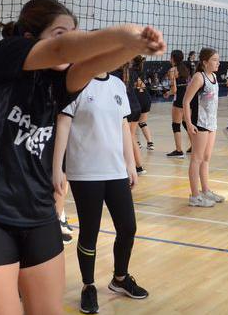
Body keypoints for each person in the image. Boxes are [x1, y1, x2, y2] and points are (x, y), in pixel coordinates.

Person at [0, 0, 165, 315]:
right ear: (29, 38)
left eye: (73, 32)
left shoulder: (59, 84)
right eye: (60, 31)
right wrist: (127, 33)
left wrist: (139, 45)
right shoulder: (6, 56)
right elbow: (64, 50)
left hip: (38, 215)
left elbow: (92, 63)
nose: (70, 39)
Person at [54, 70, 148, 314]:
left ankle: (120, 278)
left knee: (128, 227)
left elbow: (123, 124)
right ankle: (88, 286)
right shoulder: (77, 81)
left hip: (115, 170)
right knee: (90, 232)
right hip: (86, 172)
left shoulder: (117, 84)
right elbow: (63, 123)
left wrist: (131, 164)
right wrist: (57, 168)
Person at [183, 48, 224, 207]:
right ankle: (195, 196)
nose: (218, 62)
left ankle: (205, 190)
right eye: (214, 60)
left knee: (206, 158)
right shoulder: (199, 78)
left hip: (211, 123)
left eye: (218, 60)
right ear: (205, 62)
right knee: (197, 159)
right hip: (199, 123)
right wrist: (188, 123)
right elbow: (186, 101)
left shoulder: (213, 76)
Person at [114, 62, 146, 175]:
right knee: (131, 137)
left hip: (127, 108)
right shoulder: (131, 72)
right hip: (136, 106)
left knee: (127, 138)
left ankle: (135, 166)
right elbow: (142, 85)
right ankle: (139, 167)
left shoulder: (114, 74)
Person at [164, 50, 192, 158]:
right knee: (186, 124)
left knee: (176, 125)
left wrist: (167, 93)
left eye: (170, 57)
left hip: (179, 100)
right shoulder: (185, 69)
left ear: (173, 58)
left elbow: (174, 89)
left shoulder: (172, 70)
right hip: (187, 99)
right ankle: (194, 146)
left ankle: (179, 150)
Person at [132, 56, 154, 151]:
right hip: (146, 98)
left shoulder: (130, 72)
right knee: (142, 122)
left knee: (134, 122)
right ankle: (150, 143)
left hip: (137, 98)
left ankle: (137, 143)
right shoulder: (142, 70)